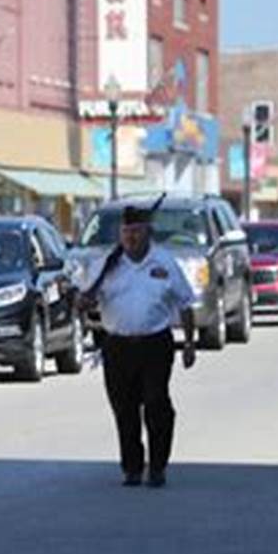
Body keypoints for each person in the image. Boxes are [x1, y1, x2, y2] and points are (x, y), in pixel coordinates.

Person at [79, 204, 197, 488]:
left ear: (148, 232)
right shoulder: (107, 264)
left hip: (155, 344)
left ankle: (157, 467)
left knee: (156, 404)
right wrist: (82, 302)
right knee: (125, 409)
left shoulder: (164, 262)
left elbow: (185, 304)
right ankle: (132, 468)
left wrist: (190, 342)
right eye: (126, 231)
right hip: (117, 346)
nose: (130, 237)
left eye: (136, 231)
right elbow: (84, 299)